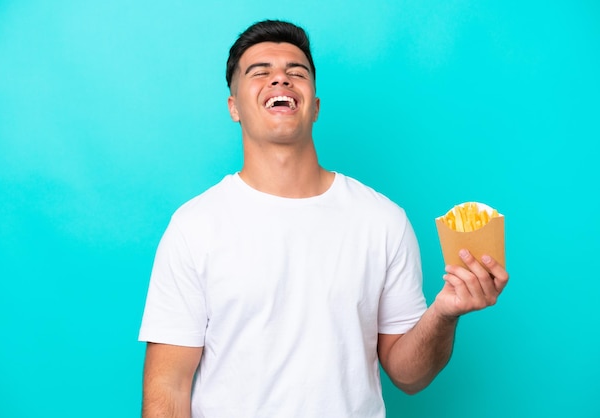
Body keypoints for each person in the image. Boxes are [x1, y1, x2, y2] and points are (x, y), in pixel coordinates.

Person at [138, 20, 509, 418]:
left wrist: (443, 314)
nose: (280, 79)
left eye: (296, 73)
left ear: (314, 106)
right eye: (260, 72)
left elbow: (409, 376)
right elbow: (168, 387)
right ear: (233, 107)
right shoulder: (195, 226)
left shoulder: (382, 220)